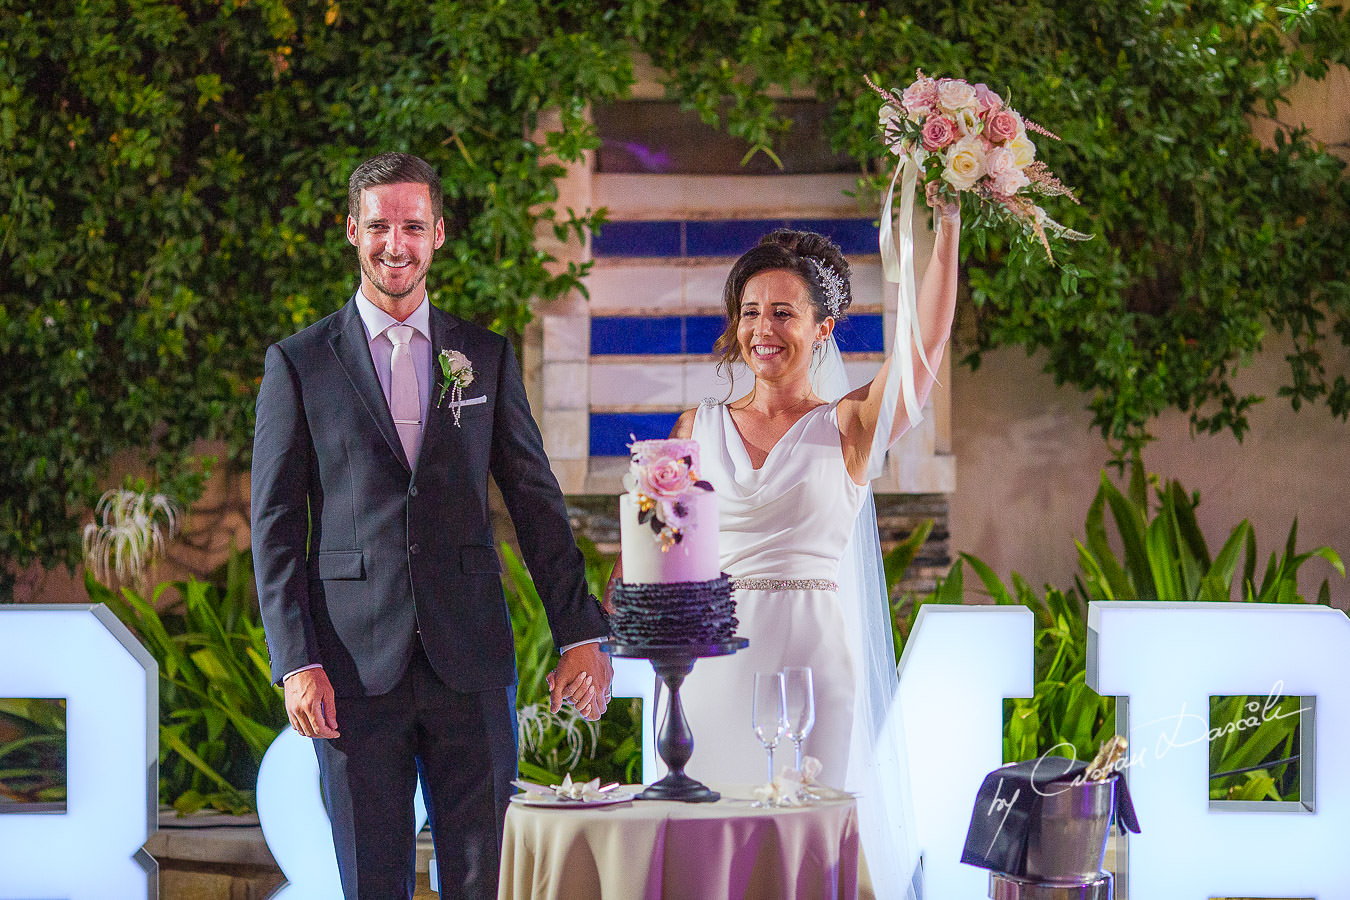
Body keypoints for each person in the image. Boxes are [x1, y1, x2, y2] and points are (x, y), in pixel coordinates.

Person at [250, 151, 613, 900]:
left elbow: (537, 503)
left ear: (438, 234)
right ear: (352, 231)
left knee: (481, 884)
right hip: (350, 670)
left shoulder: (483, 356)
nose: (395, 243)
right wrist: (295, 660)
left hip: (470, 662)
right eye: (379, 225)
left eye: (412, 226)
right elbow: (276, 528)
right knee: (372, 883)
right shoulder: (299, 364)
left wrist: (581, 632)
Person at [617, 198, 959, 896]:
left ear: (822, 328)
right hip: (706, 668)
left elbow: (920, 358)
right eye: (749, 311)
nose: (762, 329)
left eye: (782, 313)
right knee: (703, 854)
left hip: (811, 669)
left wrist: (947, 229)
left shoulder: (852, 424)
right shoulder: (693, 426)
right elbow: (655, 556)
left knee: (805, 852)